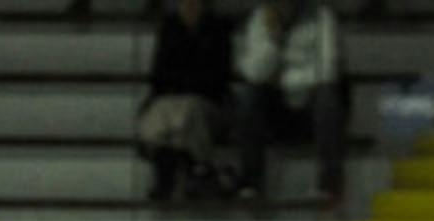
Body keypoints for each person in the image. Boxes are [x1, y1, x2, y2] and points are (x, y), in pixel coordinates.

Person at [232, 0, 347, 201]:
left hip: (310, 105)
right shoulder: (261, 18)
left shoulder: (321, 17)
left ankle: (329, 184)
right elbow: (253, 73)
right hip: (277, 108)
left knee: (327, 98)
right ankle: (251, 183)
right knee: (249, 96)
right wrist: (274, 40)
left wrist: (284, 79)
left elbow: (328, 69)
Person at [137, 0, 237, 202]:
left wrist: (184, 85)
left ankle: (174, 170)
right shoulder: (169, 28)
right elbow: (159, 76)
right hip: (173, 100)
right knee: (165, 110)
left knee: (190, 111)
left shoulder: (218, 30)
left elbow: (216, 79)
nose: (190, 6)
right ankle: (185, 168)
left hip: (208, 104)